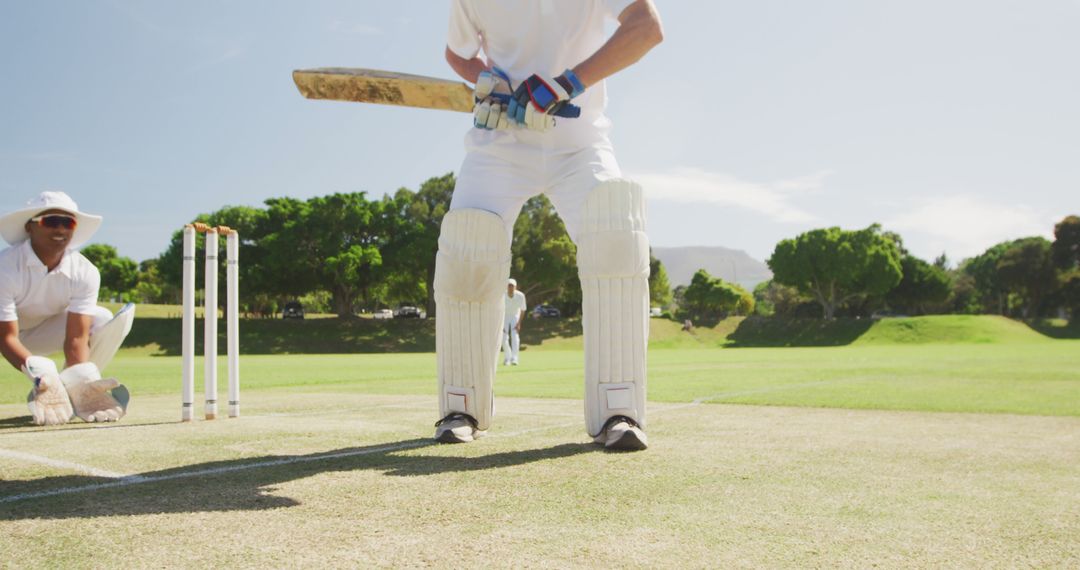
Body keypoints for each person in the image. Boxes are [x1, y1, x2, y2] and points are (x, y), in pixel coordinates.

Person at [432, 0, 663, 450]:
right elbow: (457, 52)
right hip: (500, 142)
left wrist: (567, 84)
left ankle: (619, 409)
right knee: (467, 248)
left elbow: (646, 28)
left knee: (616, 235)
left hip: (580, 144)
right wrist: (490, 82)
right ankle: (461, 406)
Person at [0, 191, 134, 425]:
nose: (60, 229)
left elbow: (76, 339)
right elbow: (6, 337)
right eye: (50, 221)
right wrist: (42, 376)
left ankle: (77, 390)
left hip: (38, 334)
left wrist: (80, 380)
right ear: (30, 227)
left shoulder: (85, 271)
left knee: (101, 318)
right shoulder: (6, 267)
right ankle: (53, 383)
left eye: (68, 222)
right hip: (6, 335)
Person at [502, 278, 526, 366]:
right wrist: (500, 325)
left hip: (515, 315)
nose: (510, 288)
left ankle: (515, 358)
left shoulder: (521, 296)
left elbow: (523, 310)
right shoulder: (502, 295)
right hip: (504, 316)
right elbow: (498, 310)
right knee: (503, 338)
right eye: (509, 286)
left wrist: (519, 323)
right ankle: (507, 357)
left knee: (515, 337)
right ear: (506, 287)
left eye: (512, 286)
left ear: (515, 287)